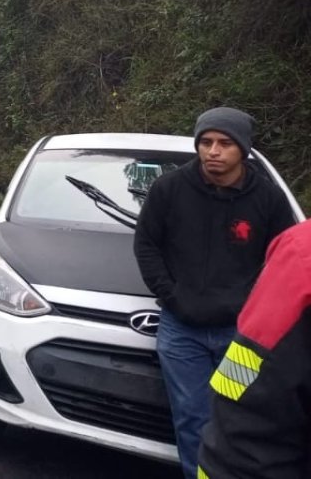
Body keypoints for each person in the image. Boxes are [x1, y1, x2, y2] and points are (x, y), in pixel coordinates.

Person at [133, 106, 296, 479]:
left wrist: (253, 304)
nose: (213, 151)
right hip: (181, 333)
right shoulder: (169, 189)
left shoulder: (268, 198)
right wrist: (172, 296)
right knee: (192, 417)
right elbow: (146, 245)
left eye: (225, 143)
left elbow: (283, 258)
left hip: (242, 336)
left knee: (240, 418)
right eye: (205, 142)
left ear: (244, 149)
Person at [197, 219, 311, 478]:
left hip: (237, 320)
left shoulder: (297, 246)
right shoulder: (302, 255)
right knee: (190, 415)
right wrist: (174, 297)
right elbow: (243, 443)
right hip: (187, 324)